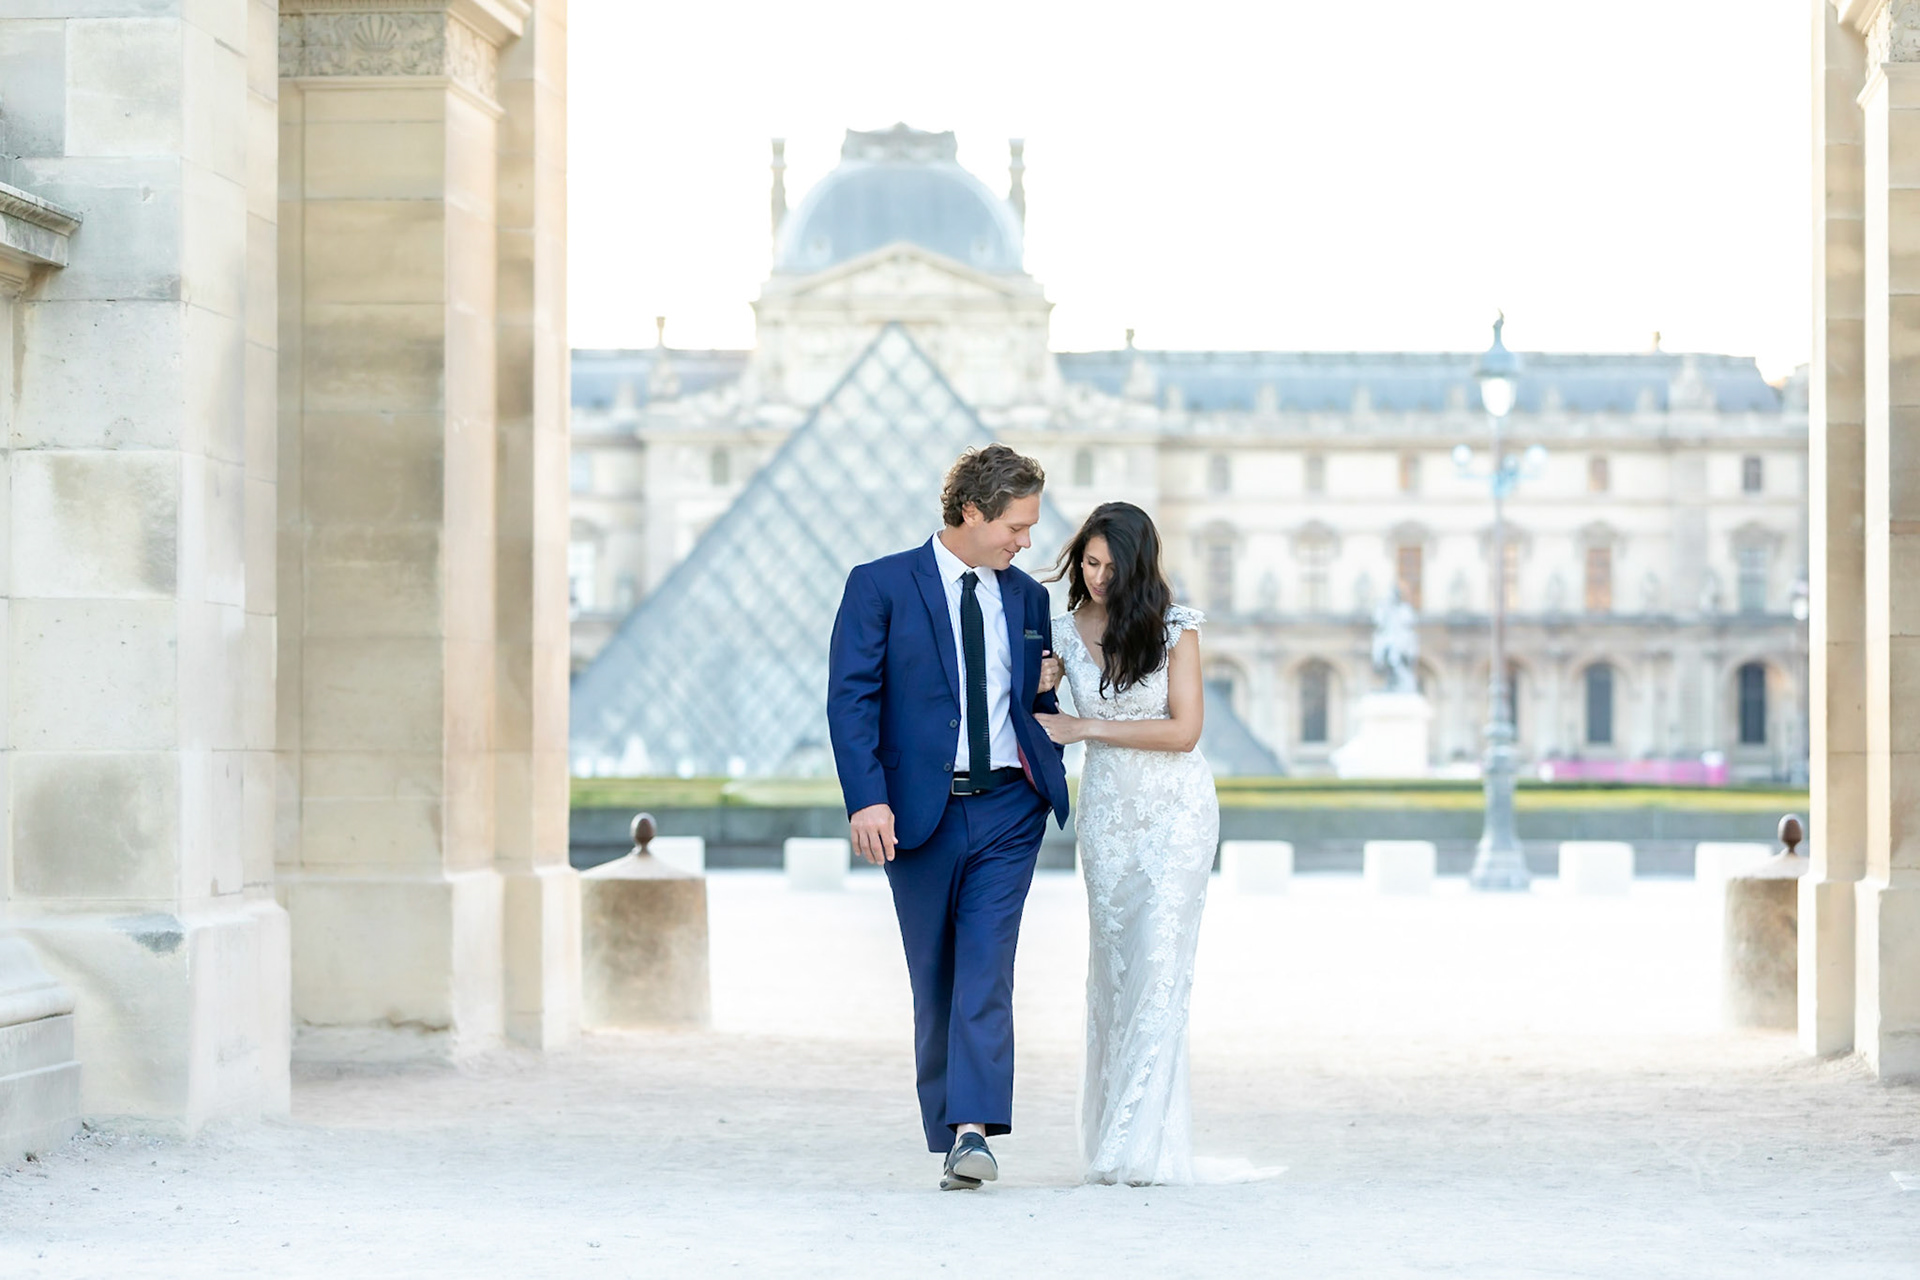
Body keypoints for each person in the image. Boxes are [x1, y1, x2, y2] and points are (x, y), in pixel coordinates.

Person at [826, 444, 1070, 1191]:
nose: (1025, 542)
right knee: (934, 978)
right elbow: (851, 697)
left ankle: (973, 1131)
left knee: (987, 969)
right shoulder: (880, 586)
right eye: (1017, 526)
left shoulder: (1027, 600)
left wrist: (1047, 688)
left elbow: (1034, 705)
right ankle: (951, 1129)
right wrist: (867, 798)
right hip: (916, 815)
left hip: (1008, 809)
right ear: (972, 512)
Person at [1034, 501, 1221, 1186]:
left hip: (1176, 814)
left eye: (1114, 565)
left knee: (1160, 968)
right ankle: (1117, 1130)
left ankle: (1142, 1145)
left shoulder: (1176, 629)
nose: (1100, 577)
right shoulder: (1055, 631)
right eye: (1090, 562)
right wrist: (1041, 689)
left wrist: (1086, 728)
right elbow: (1030, 720)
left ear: (1140, 565)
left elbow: (1184, 732)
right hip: (1109, 818)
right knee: (1115, 977)